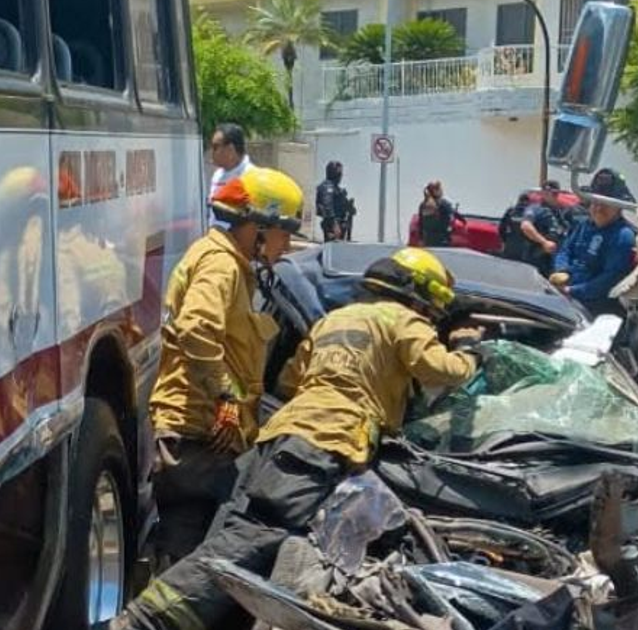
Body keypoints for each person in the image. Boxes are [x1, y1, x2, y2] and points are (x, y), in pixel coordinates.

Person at [103, 248, 482, 630]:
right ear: (420, 298)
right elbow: (442, 370)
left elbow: (288, 380)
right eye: (432, 309)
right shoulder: (404, 320)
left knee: (234, 538)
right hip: (324, 443)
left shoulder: (333, 320)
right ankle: (141, 622)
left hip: (280, 439)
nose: (431, 316)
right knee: (253, 538)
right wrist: (469, 350)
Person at [148, 167, 305, 565]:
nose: (287, 245)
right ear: (259, 228)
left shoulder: (225, 261)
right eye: (284, 234)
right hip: (201, 433)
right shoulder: (221, 265)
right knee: (205, 559)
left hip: (202, 432)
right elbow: (197, 328)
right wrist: (227, 397)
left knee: (186, 556)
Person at [550, 170, 637, 316]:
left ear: (619, 207)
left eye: (606, 204)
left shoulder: (623, 236)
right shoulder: (584, 225)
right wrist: (562, 271)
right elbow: (565, 250)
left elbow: (609, 279)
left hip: (594, 309)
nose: (598, 208)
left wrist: (572, 291)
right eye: (595, 202)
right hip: (567, 296)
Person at [518, 181, 571, 276]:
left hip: (555, 257)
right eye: (547, 192)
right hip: (538, 255)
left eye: (555, 193)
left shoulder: (560, 211)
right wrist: (544, 242)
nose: (552, 196)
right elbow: (526, 226)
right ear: (542, 193)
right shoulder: (535, 209)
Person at [207, 123, 252, 202]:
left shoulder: (251, 177)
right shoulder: (217, 175)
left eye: (215, 147)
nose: (212, 152)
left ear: (230, 149)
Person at [316, 161, 354, 242]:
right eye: (339, 173)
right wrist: (334, 224)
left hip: (340, 223)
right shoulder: (327, 186)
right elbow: (327, 205)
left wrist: (349, 206)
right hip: (332, 225)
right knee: (333, 246)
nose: (341, 176)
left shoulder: (336, 188)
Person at [419, 180, 463, 247]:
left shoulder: (423, 205)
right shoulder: (443, 203)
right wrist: (464, 222)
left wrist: (421, 238)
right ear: (436, 191)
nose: (442, 191)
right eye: (440, 189)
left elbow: (420, 223)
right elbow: (455, 214)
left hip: (427, 241)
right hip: (442, 241)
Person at [498, 191, 533, 261]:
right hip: (525, 250)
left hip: (510, 246)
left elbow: (501, 228)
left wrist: (505, 240)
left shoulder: (511, 211)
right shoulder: (532, 213)